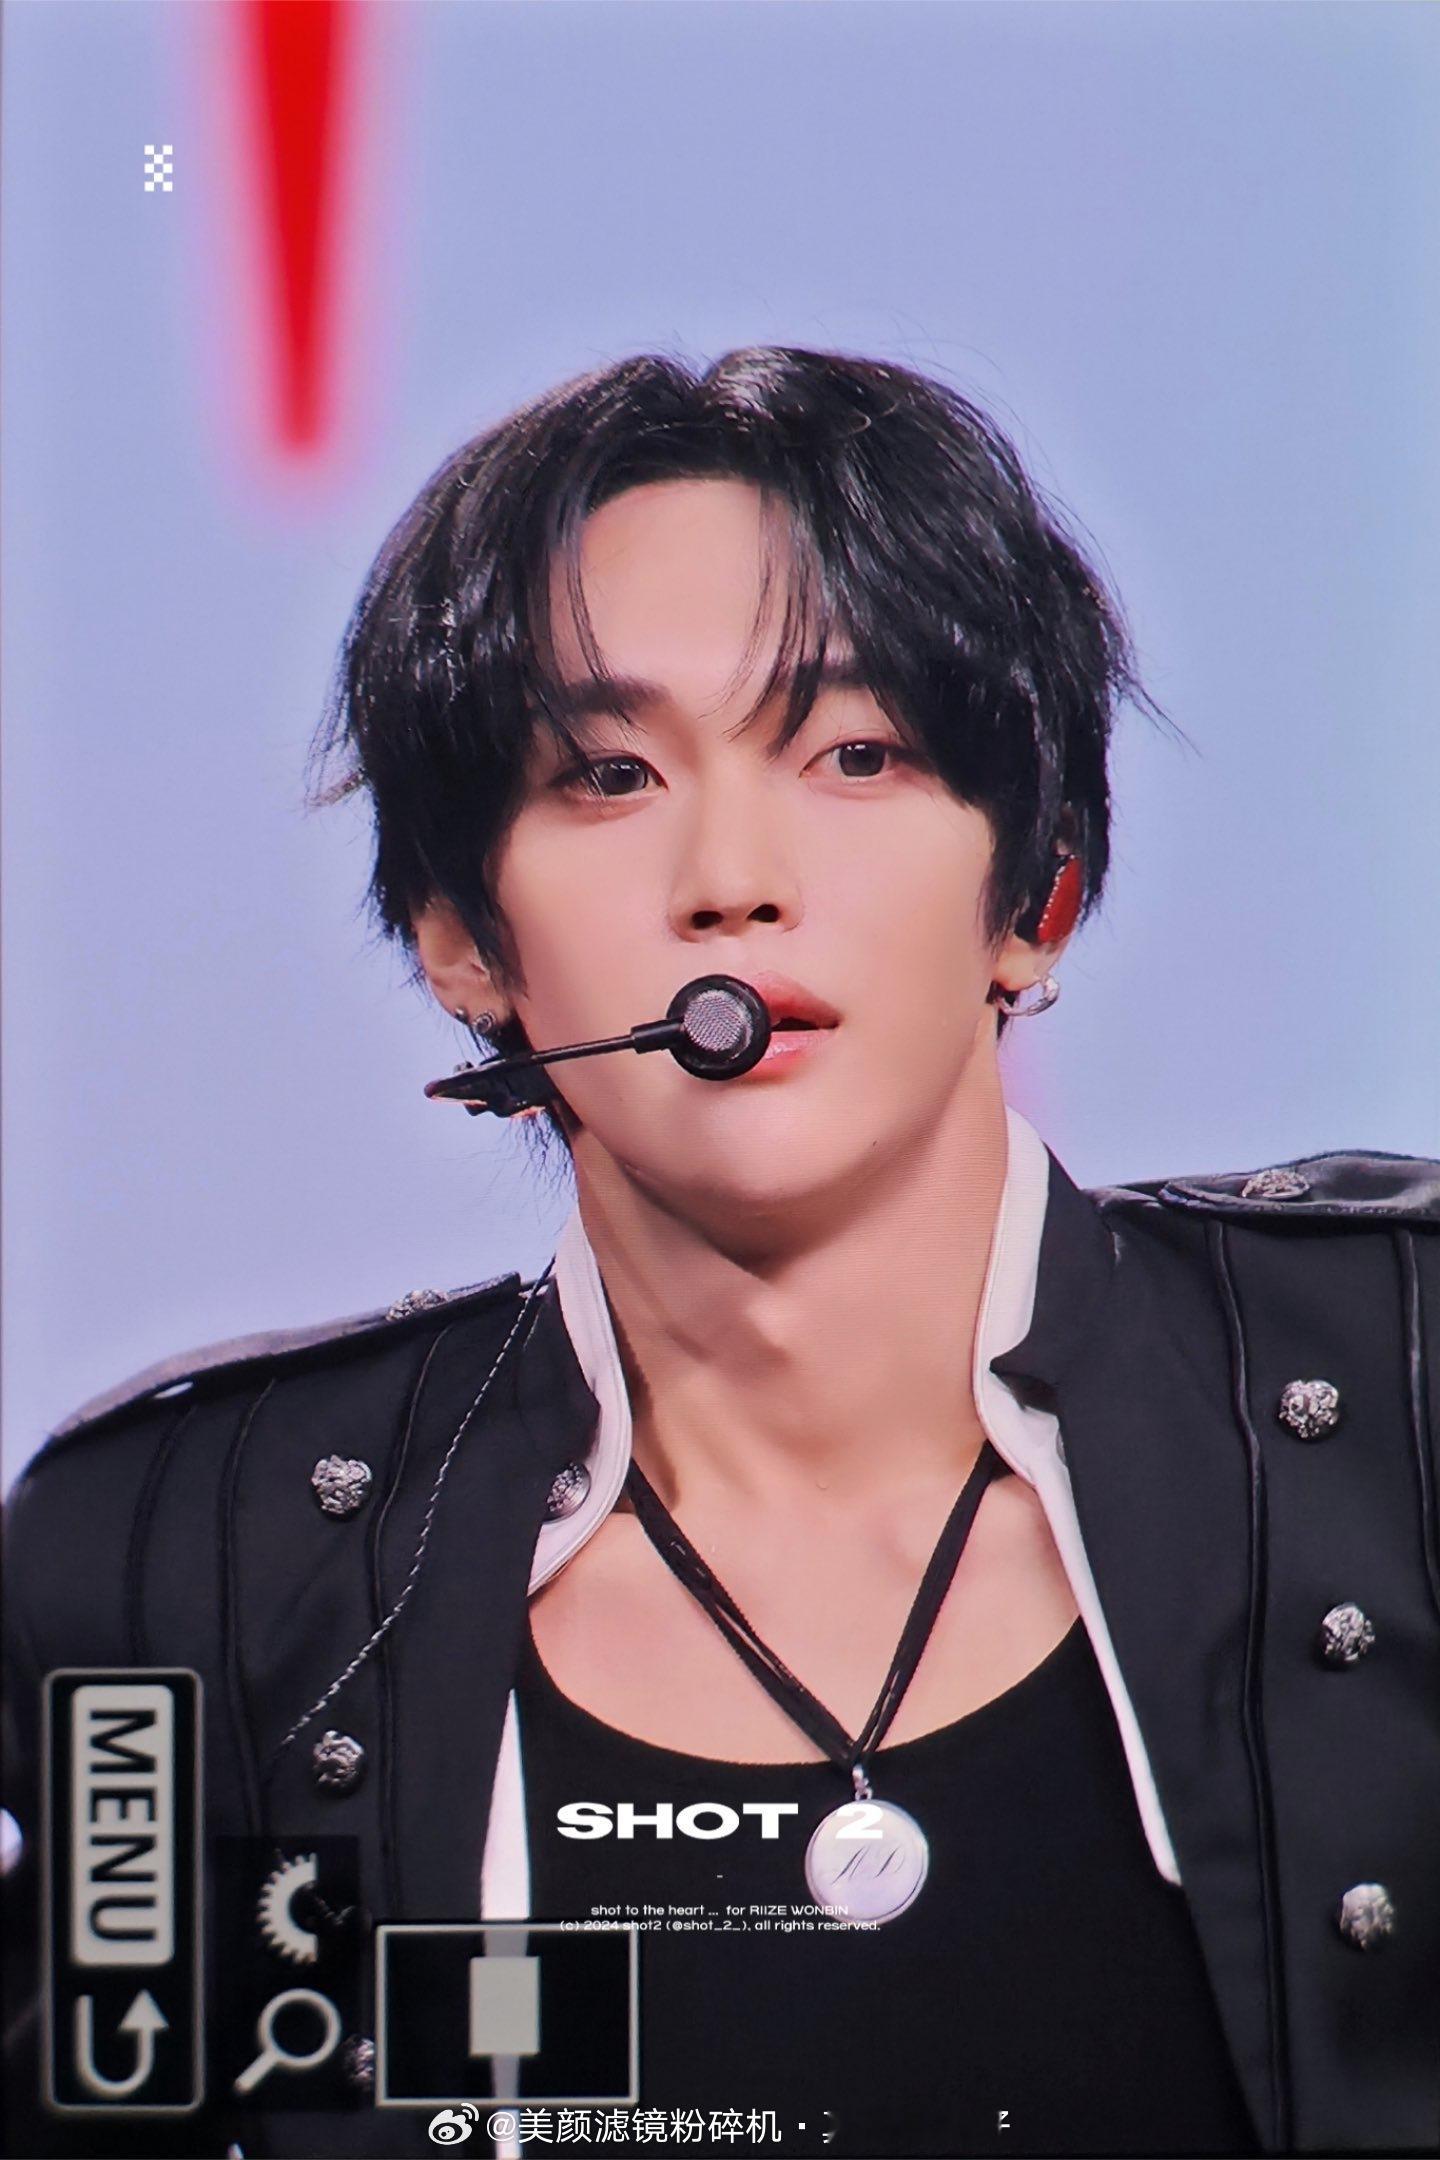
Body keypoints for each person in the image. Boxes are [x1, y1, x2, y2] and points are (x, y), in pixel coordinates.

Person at [3, 347, 1438, 2160]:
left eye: (856, 754)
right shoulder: (180, 1564)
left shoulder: (1397, 1394)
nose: (733, 879)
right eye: (609, 774)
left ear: (1038, 898)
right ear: (461, 943)